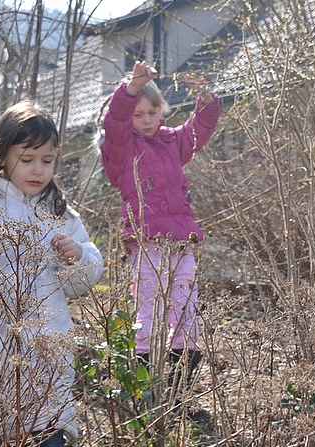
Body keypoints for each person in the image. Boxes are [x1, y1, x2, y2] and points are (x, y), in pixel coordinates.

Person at [0, 100, 104, 447]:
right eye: (27, 159)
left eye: (47, 161)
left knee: (50, 434)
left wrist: (77, 259)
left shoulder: (60, 213)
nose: (38, 170)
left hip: (49, 356)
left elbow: (82, 279)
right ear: (2, 157)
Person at [100, 61, 220, 394]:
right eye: (138, 115)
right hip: (147, 246)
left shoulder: (172, 142)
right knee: (148, 315)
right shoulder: (122, 149)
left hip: (182, 244)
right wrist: (131, 89)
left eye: (152, 112)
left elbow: (200, 130)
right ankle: (145, 392)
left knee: (187, 313)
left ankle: (180, 394)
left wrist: (207, 101)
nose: (146, 120)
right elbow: (116, 122)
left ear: (161, 111)